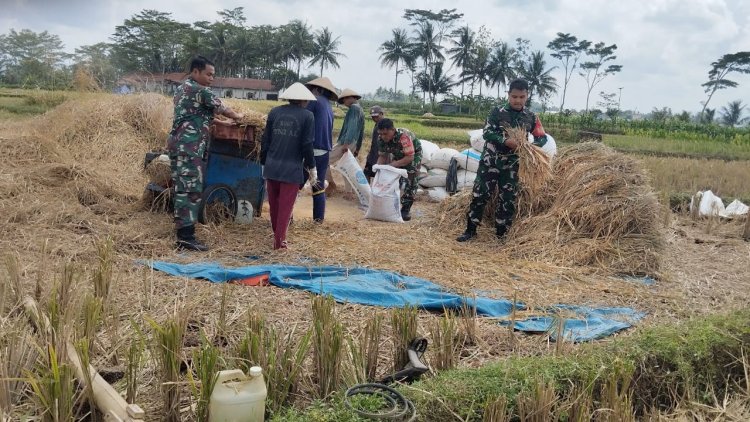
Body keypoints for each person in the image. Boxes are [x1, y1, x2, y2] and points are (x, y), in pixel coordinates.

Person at [456, 78, 548, 242]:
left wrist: (530, 147)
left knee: (508, 199)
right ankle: (470, 230)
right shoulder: (496, 112)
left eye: (521, 97)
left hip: (512, 166)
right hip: (491, 162)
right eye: (514, 97)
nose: (517, 100)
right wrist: (505, 141)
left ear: (527, 96)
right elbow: (487, 133)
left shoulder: (531, 117)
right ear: (508, 95)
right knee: (480, 195)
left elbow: (541, 137)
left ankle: (501, 234)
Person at [168, 56, 243, 251]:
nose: (211, 78)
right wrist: (238, 117)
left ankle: (183, 230)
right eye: (208, 74)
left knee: (181, 188)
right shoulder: (200, 90)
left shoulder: (182, 89)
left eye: (213, 75)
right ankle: (186, 238)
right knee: (190, 189)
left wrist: (221, 124)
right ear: (195, 72)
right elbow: (222, 108)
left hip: (179, 144)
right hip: (190, 147)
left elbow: (196, 115)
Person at [261, 82, 317, 250]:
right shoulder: (307, 116)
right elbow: (307, 144)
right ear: (304, 100)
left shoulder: (274, 112)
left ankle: (277, 237)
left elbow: (266, 140)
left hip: (272, 167)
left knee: (274, 206)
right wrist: (312, 167)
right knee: (285, 208)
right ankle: (279, 243)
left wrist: (264, 162)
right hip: (291, 169)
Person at [304, 77, 338, 222]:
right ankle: (318, 219)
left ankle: (288, 217)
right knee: (318, 186)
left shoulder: (314, 101)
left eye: (311, 89)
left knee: (295, 184)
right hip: (324, 151)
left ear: (318, 90)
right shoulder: (329, 106)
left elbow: (303, 118)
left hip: (311, 149)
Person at [376, 118, 423, 221]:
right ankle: (392, 204)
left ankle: (406, 208)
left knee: (410, 178)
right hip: (398, 153)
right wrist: (378, 168)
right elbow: (383, 156)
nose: (383, 136)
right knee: (395, 178)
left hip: (413, 154)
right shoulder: (381, 139)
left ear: (392, 130)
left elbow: (409, 157)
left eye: (385, 134)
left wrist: (393, 165)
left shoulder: (404, 137)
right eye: (380, 134)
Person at [328, 88, 364, 164]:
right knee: (347, 166)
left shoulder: (353, 108)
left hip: (347, 142)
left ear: (352, 97)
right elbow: (361, 132)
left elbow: (352, 126)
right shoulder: (360, 110)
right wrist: (357, 148)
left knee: (326, 159)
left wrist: (346, 143)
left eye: (345, 100)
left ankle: (325, 176)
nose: (344, 102)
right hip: (354, 142)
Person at [364, 105, 385, 183]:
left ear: (381, 114)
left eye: (376, 116)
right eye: (373, 117)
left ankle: (372, 191)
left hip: (380, 155)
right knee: (367, 172)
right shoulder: (377, 125)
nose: (374, 119)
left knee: (377, 174)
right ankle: (367, 191)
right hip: (373, 154)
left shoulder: (384, 125)